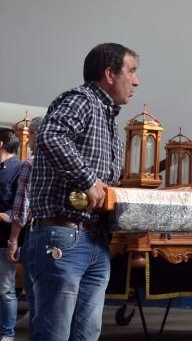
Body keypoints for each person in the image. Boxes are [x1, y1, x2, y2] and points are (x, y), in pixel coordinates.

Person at [27, 42, 139, 341]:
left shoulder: (109, 119)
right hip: (63, 234)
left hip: (95, 239)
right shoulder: (81, 100)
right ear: (110, 74)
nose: (136, 81)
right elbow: (51, 137)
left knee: (87, 334)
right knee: (54, 333)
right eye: (132, 71)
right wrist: (88, 180)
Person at [6, 116, 41, 330]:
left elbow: (23, 207)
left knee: (35, 289)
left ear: (36, 135)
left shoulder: (31, 163)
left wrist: (13, 240)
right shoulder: (68, 163)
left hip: (36, 233)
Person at [0, 128, 22, 341]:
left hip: (5, 238)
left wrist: (5, 216)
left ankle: (6, 333)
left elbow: (21, 204)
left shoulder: (20, 168)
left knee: (5, 290)